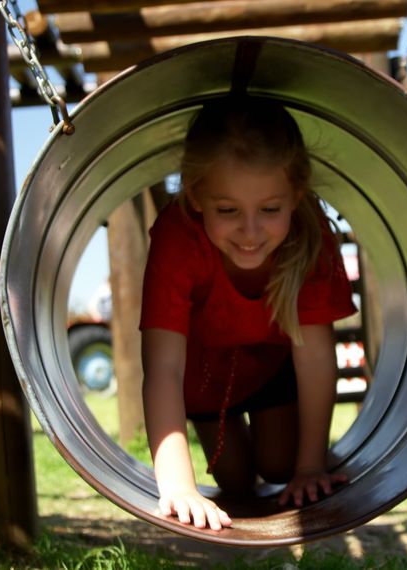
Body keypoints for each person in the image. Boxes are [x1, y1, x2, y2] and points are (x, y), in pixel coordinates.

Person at [139, 97, 357, 531]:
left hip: (269, 365)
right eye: (228, 210)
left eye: (270, 210)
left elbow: (315, 356)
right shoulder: (178, 236)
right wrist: (178, 485)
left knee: (280, 466)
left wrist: (310, 465)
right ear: (195, 195)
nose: (251, 231)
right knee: (234, 481)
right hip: (202, 378)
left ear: (296, 196)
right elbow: (162, 366)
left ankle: (309, 451)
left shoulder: (306, 233)